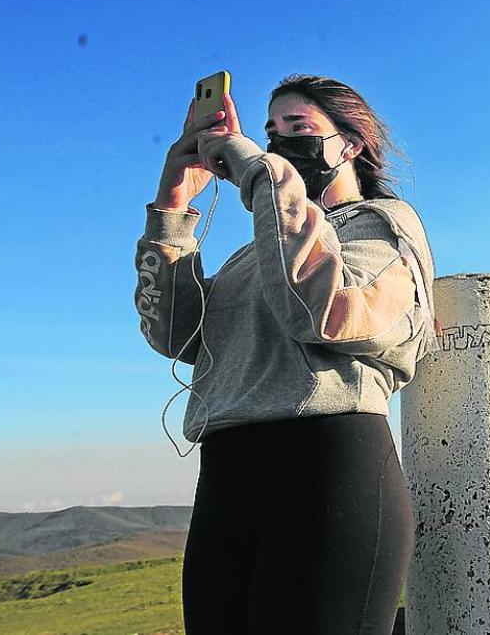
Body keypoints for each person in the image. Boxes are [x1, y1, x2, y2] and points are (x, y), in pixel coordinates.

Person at [133, 75, 437, 634]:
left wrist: (260, 172)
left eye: (299, 127)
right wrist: (173, 204)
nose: (278, 141)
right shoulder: (261, 250)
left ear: (351, 143)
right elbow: (175, 335)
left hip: (327, 471)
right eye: (271, 131)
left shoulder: (384, 224)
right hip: (226, 477)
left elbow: (326, 313)